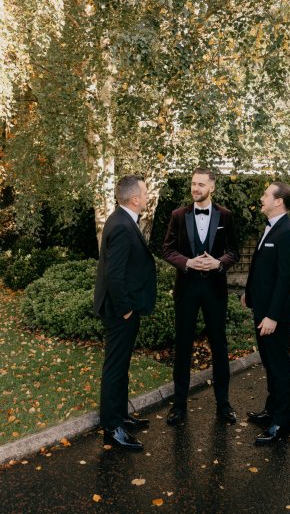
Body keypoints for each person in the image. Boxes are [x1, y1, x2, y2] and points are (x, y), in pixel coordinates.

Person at [162, 167, 240, 425]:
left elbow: (234, 252)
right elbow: (168, 249)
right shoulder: (177, 215)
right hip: (186, 289)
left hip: (215, 289)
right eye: (193, 184)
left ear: (212, 187)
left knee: (219, 346)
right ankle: (179, 405)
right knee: (183, 345)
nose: (195, 189)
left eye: (201, 185)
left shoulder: (226, 216)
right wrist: (188, 262)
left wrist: (218, 263)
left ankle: (224, 404)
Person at [94, 175, 157, 450]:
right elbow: (114, 275)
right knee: (115, 368)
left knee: (121, 367)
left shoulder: (122, 219)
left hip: (124, 309)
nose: (147, 196)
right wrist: (127, 310)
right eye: (144, 192)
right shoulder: (121, 225)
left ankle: (120, 416)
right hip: (120, 312)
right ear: (134, 199)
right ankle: (112, 427)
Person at [242, 181, 290, 444]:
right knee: (269, 362)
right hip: (262, 308)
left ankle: (281, 424)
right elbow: (262, 268)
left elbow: (285, 279)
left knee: (280, 367)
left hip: (274, 314)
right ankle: (271, 410)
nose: (262, 198)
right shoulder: (270, 227)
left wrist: (273, 316)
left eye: (266, 194)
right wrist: (249, 293)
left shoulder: (288, 232)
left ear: (279, 201)